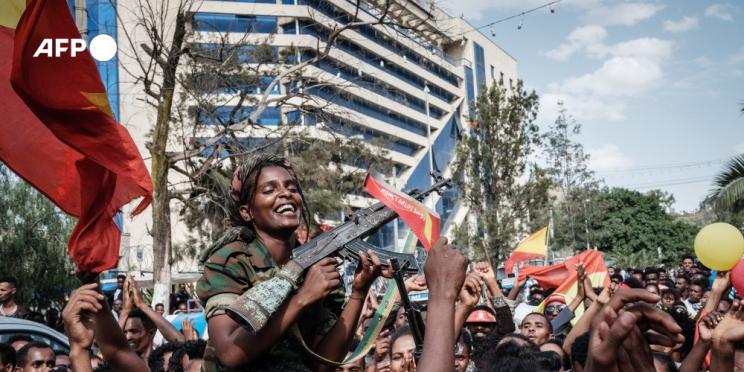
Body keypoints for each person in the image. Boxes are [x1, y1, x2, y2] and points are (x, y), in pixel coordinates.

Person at [196, 154, 391, 371]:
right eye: (269, 190)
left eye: (292, 188)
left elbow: (322, 363)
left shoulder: (318, 267)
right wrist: (303, 297)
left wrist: (358, 292)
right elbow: (230, 353)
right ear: (247, 212)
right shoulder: (230, 261)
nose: (285, 194)